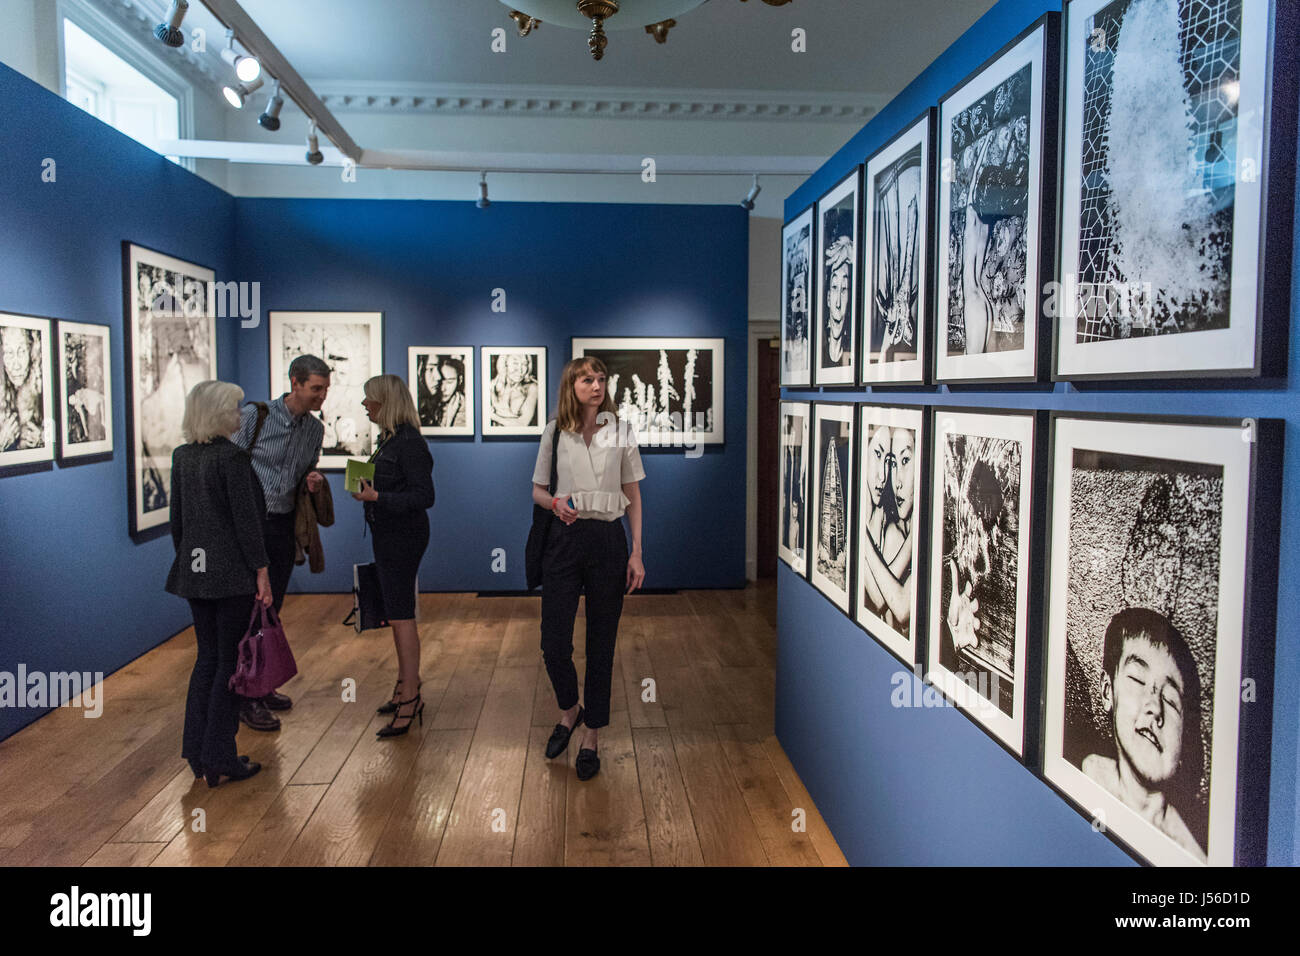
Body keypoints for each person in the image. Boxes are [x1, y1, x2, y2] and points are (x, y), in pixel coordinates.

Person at [532, 357, 646, 781]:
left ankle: (591, 735)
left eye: (600, 379)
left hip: (608, 540)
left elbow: (632, 492)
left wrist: (637, 552)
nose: (596, 386)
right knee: (553, 642)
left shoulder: (621, 431)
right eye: (587, 379)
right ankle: (570, 711)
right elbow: (539, 491)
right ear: (571, 385)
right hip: (564, 538)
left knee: (602, 642)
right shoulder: (553, 431)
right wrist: (556, 503)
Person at [165, 380, 271, 788]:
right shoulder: (233, 459)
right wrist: (262, 571)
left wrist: (192, 565)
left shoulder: (183, 457)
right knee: (230, 664)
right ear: (219, 413)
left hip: (195, 577)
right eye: (235, 408)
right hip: (232, 578)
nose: (241, 415)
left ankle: (197, 751)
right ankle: (221, 755)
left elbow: (179, 524)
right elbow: (247, 524)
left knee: (206, 659)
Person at [231, 354, 329, 731]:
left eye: (325, 389)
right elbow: (231, 465)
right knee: (252, 609)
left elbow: (303, 470)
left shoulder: (314, 431)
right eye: (316, 388)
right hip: (251, 525)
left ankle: (262, 683)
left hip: (284, 526)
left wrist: (311, 480)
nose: (322, 396)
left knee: (273, 609)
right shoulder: (256, 417)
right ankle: (246, 695)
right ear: (296, 383)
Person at [1082, 608, 1206, 862]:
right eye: (1138, 679)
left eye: (1171, 701)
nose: (1155, 707)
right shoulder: (1087, 770)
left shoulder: (1189, 855)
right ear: (1108, 691)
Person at [352, 373, 436, 737]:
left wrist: (377, 498)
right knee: (397, 612)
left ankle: (410, 697)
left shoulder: (409, 443)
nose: (365, 405)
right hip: (388, 534)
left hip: (403, 536)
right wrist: (369, 490)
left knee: (401, 615)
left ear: (386, 402)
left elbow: (424, 496)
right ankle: (405, 686)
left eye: (370, 399)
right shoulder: (389, 440)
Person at [491, 353, 539, 428]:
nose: (520, 370)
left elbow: (523, 423)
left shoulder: (532, 388)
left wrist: (493, 416)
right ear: (505, 364)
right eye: (515, 363)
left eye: (524, 364)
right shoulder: (492, 386)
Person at [419, 354, 466, 428]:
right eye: (440, 383)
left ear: (460, 380)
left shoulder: (462, 407)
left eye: (449, 382)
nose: (443, 389)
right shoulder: (429, 402)